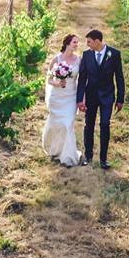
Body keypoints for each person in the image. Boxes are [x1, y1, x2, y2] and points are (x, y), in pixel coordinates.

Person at [75, 29, 125, 169]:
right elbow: (82, 79)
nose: (87, 44)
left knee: (104, 125)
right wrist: (80, 99)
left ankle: (103, 159)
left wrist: (120, 99)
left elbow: (119, 77)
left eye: (89, 41)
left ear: (97, 41)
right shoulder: (87, 55)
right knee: (89, 125)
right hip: (91, 96)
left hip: (107, 96)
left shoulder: (114, 54)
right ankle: (88, 156)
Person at [42, 34, 82, 167]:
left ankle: (68, 156)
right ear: (67, 43)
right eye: (74, 42)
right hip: (57, 96)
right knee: (56, 124)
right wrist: (58, 83)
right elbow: (49, 79)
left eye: (77, 42)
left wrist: (82, 99)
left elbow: (81, 81)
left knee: (67, 124)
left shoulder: (79, 60)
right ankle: (55, 150)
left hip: (71, 96)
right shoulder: (56, 59)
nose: (76, 45)